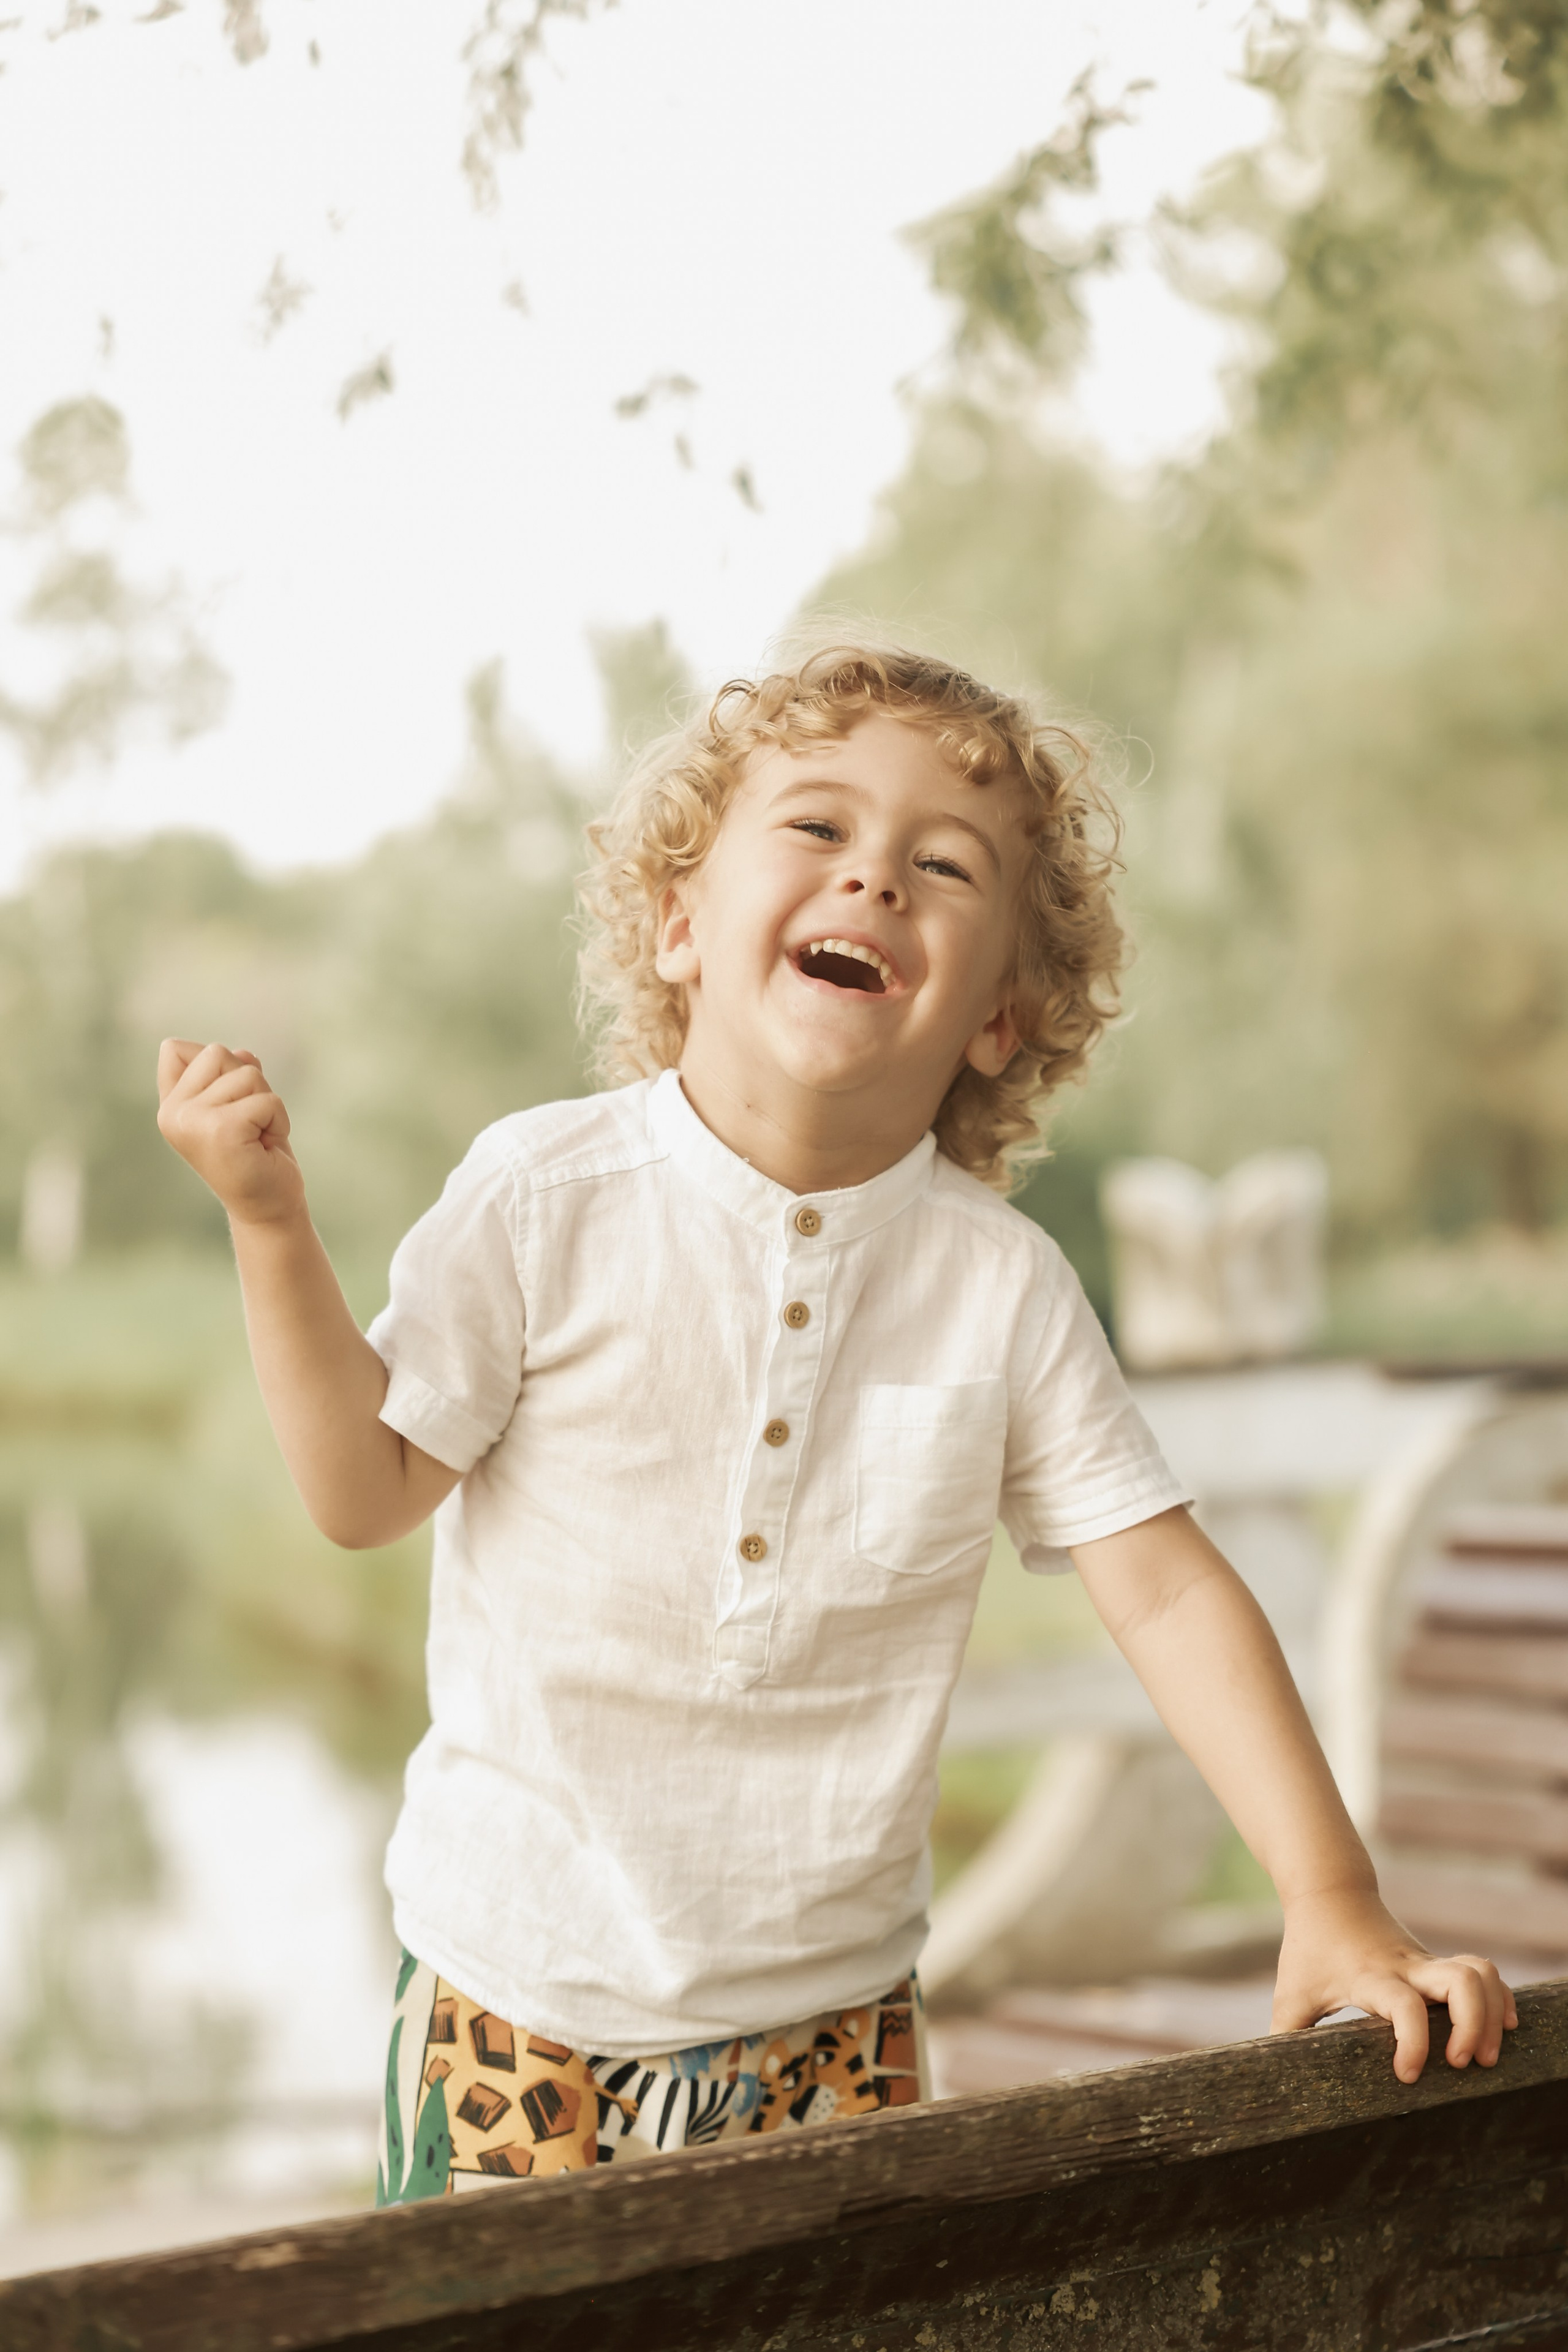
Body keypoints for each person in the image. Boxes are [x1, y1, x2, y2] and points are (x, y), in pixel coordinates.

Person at [157, 640, 1514, 2201]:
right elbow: (362, 1489)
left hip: (836, 2039)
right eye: (814, 831)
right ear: (678, 925)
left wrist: (1329, 1895)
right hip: (516, 2007)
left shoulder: (998, 1287)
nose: (871, 879)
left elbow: (1165, 1588)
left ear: (1000, 1017)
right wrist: (270, 1225)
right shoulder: (542, 1200)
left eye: (940, 865)